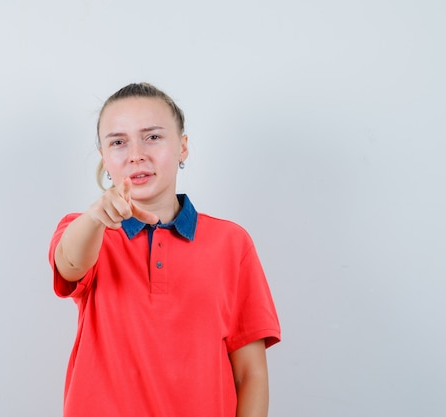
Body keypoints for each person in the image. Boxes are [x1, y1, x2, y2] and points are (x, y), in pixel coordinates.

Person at [48, 82, 281, 417]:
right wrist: (96, 218)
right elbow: (68, 263)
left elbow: (251, 374)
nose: (136, 154)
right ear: (104, 156)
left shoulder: (232, 242)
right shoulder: (87, 231)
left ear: (183, 147)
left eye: (153, 137)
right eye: (118, 142)